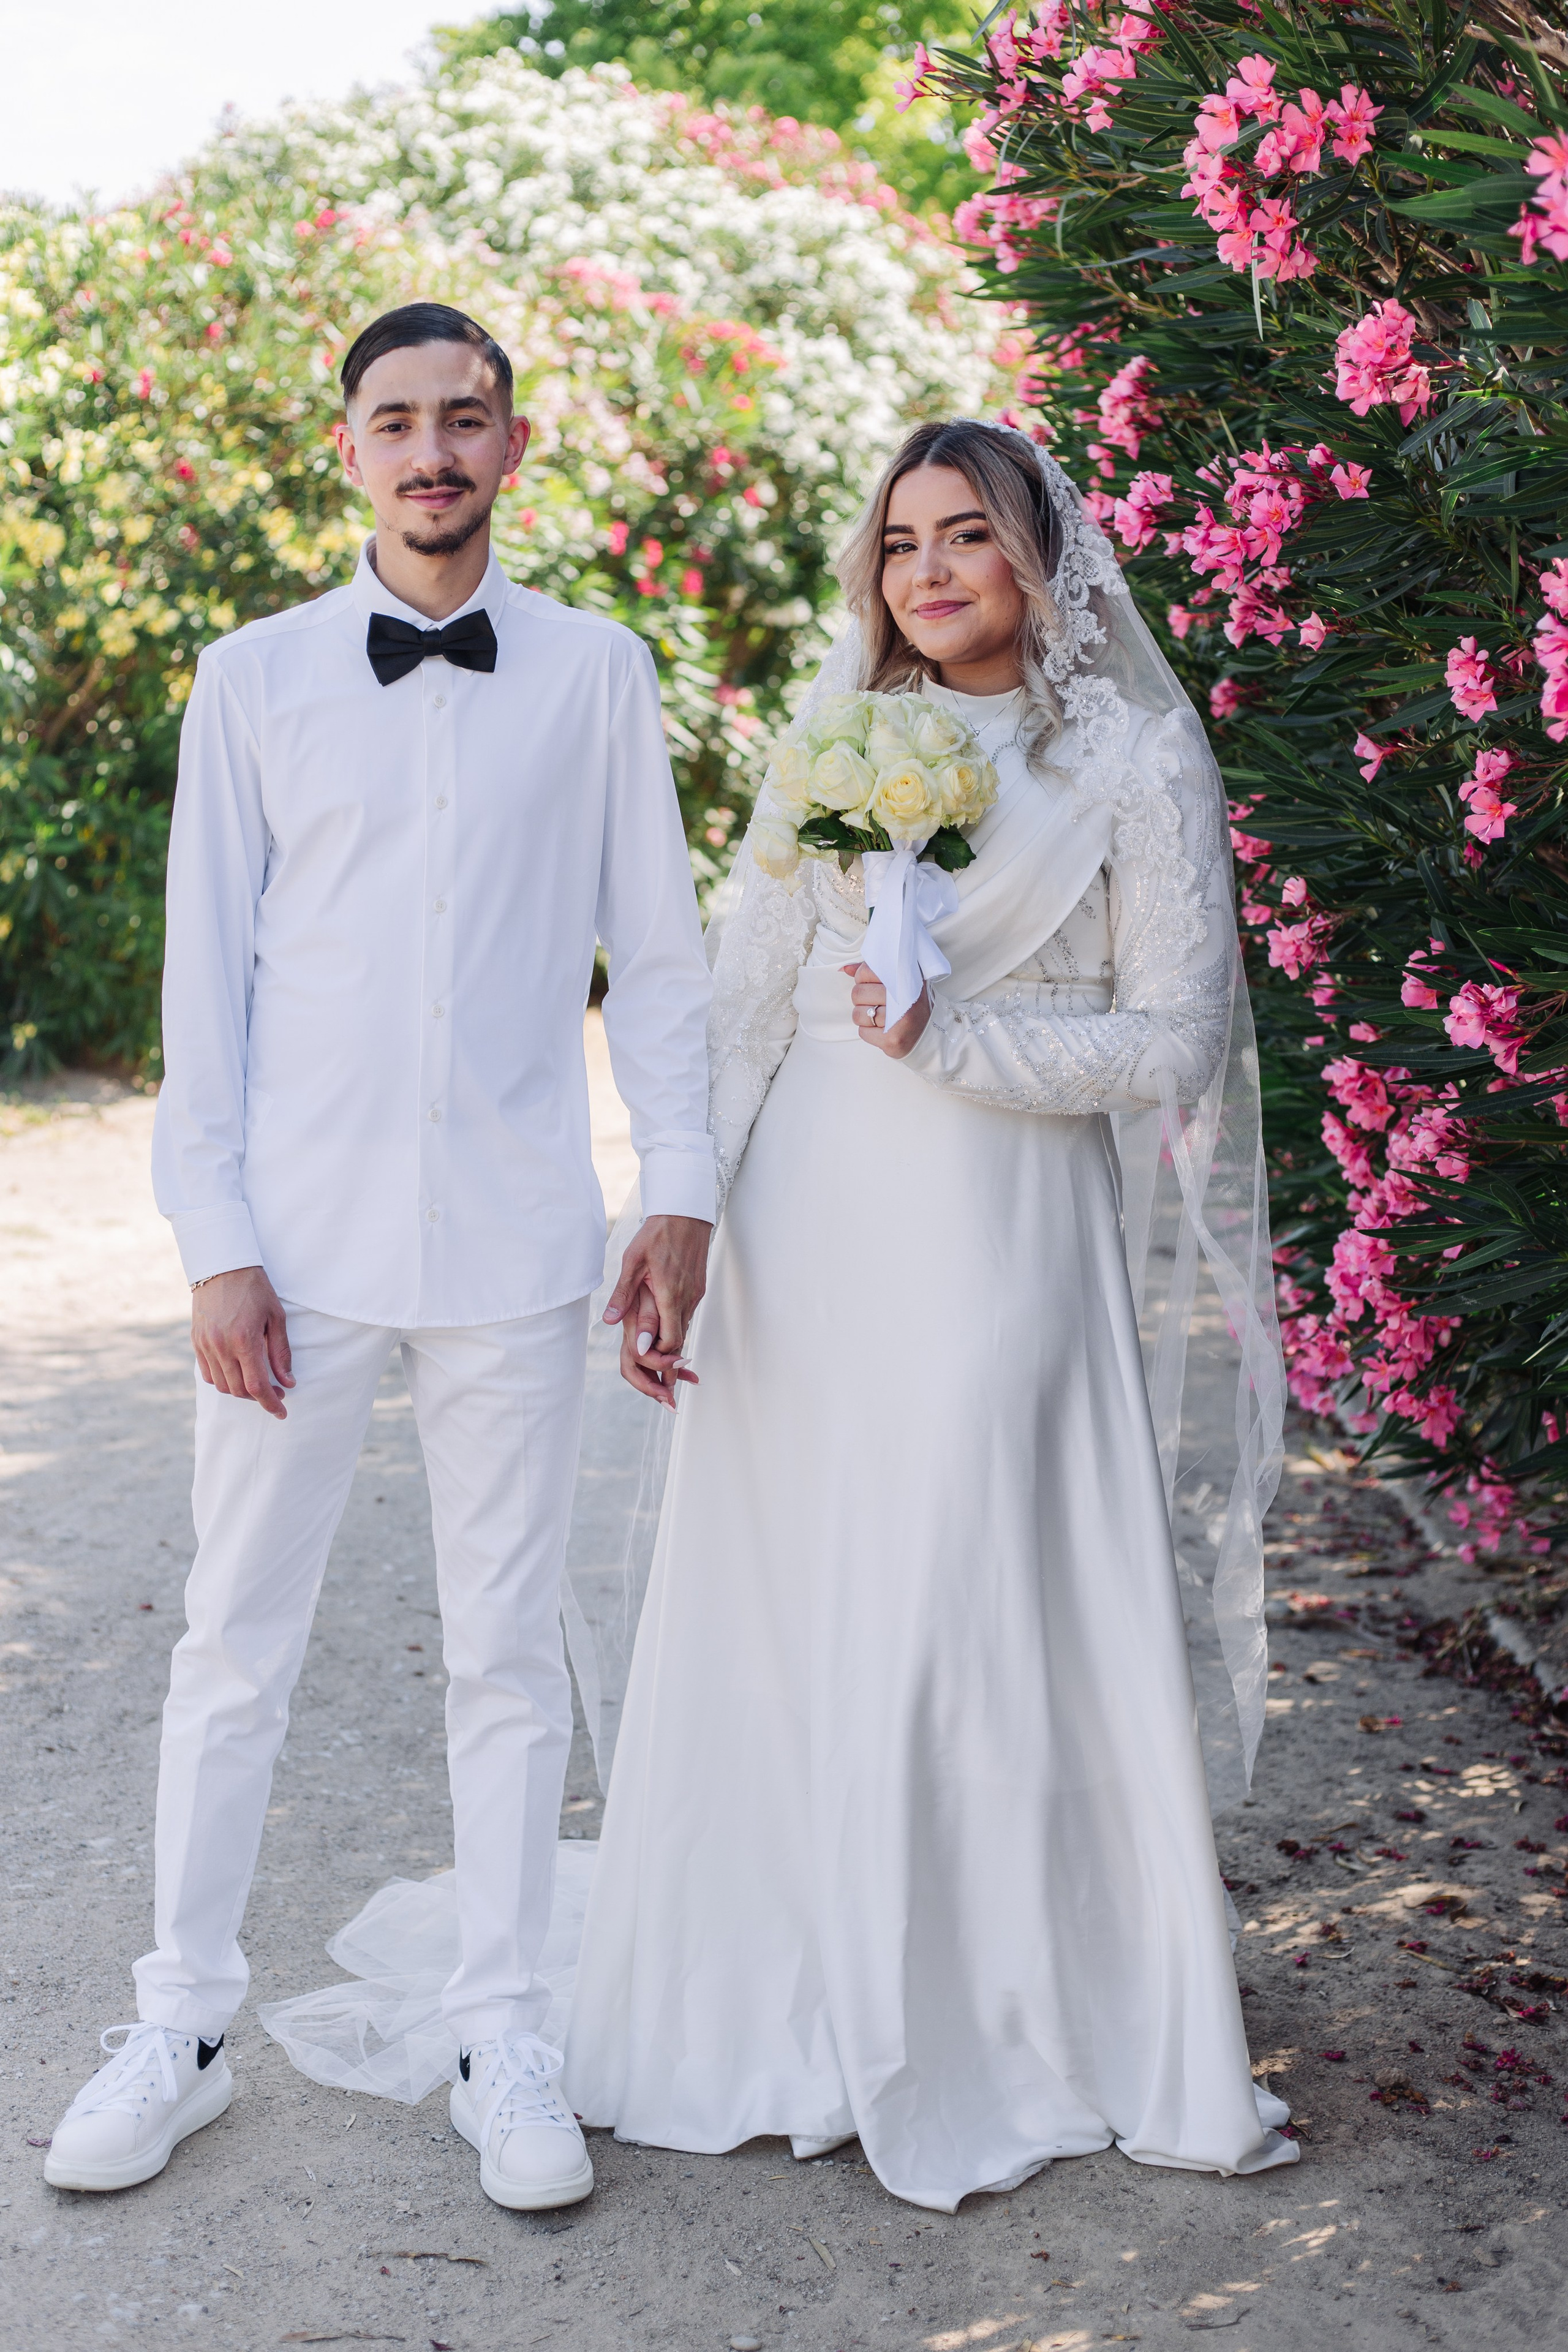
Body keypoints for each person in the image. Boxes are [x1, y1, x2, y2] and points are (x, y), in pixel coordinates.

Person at [562, 419, 1298, 2210]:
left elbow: (1173, 1040)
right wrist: (682, 1216)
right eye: (901, 544)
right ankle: (785, 1991)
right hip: (808, 1208)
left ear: (1044, 554)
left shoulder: (1129, 757)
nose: (930, 573)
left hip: (1001, 1220)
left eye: (970, 535)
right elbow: (745, 993)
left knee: (971, 1572)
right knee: (793, 1569)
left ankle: (993, 2007)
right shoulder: (831, 732)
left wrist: (956, 1036)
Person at [42, 302, 714, 2212]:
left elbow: (656, 964)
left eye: (467, 421)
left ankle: (509, 2030)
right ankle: (180, 2021)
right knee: (231, 1647)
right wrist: (216, 1245)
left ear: (516, 449)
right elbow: (206, 985)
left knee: (509, 1663)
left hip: (516, 1244)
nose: (433, 452)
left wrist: (680, 1195)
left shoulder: (597, 674)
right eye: (397, 422)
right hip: (300, 1251)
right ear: (346, 451)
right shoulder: (249, 681)